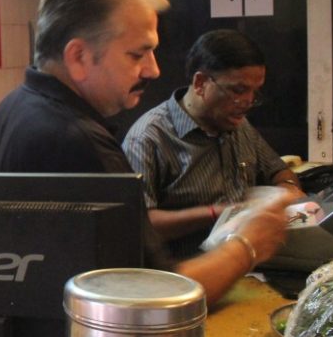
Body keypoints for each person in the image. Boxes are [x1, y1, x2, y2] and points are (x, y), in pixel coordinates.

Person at [0, 0, 290, 305]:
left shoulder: (15, 105)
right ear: (79, 56)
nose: (154, 70)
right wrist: (248, 245)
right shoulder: (77, 141)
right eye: (137, 54)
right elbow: (159, 298)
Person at [123, 29, 305, 258]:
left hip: (246, 266)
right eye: (238, 90)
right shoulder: (148, 138)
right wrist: (216, 213)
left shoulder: (239, 126)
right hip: (184, 278)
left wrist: (288, 190)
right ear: (200, 82)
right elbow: (139, 225)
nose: (248, 102)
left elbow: (277, 169)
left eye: (254, 92)